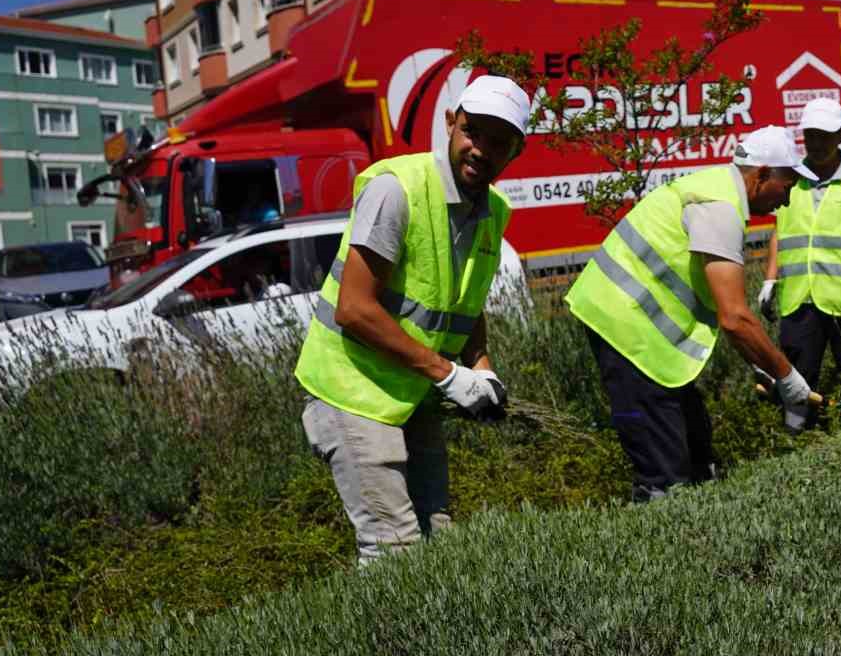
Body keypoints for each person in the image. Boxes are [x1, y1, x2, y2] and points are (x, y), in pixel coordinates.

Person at [294, 76, 526, 567]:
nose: (480, 149)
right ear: (450, 123)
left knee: (437, 534)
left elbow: (465, 301)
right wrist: (448, 374)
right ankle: (380, 645)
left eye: (498, 141)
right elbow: (354, 309)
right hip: (352, 390)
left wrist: (480, 367)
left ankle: (430, 644)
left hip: (411, 391)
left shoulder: (493, 211)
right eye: (472, 132)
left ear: (515, 152)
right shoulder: (395, 190)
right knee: (393, 549)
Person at [567, 126, 814, 501]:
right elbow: (735, 318)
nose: (788, 199)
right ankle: (658, 533)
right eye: (788, 185)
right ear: (762, 174)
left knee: (696, 445)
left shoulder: (717, 191)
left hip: (638, 330)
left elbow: (716, 305)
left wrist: (760, 361)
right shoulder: (720, 208)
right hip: (626, 329)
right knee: (665, 471)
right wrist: (788, 377)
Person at [757, 98, 841, 426]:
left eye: (824, 136)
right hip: (799, 298)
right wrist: (770, 280)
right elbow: (779, 233)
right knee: (796, 373)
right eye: (811, 136)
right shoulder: (790, 177)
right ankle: (797, 437)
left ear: (840, 136)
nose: (816, 144)